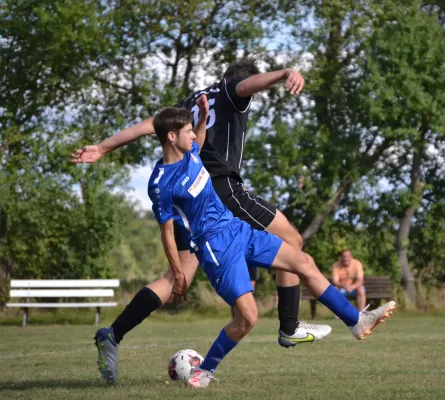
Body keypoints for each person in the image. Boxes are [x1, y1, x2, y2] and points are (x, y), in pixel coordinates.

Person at [71, 59, 330, 362]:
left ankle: (112, 334)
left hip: (187, 201)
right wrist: (285, 73)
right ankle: (289, 326)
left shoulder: (191, 102)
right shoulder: (232, 90)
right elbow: (246, 85)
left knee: (174, 278)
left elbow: (149, 125)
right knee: (292, 241)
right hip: (215, 193)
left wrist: (102, 148)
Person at [138, 106, 396, 388]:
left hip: (238, 229)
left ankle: (355, 321)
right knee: (248, 318)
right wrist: (178, 274)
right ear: (172, 136)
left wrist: (201, 117)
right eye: (186, 130)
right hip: (215, 248)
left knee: (304, 262)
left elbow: (198, 139)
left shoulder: (191, 152)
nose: (193, 135)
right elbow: (167, 234)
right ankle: (203, 372)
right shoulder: (162, 184)